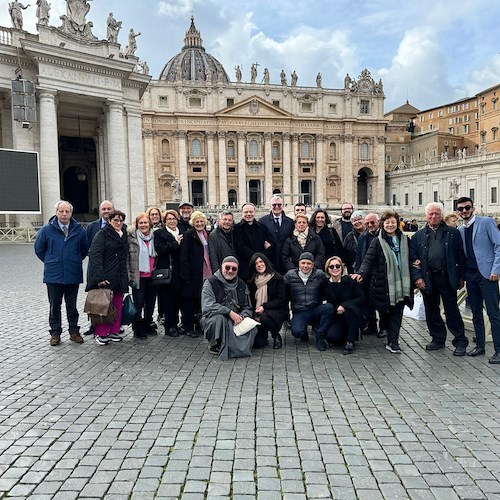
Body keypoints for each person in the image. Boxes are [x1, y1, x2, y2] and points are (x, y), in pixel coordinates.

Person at [409, 202, 468, 355]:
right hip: (428, 278)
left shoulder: (453, 233)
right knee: (431, 309)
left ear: (441, 215)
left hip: (446, 277)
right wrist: (417, 278)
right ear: (426, 216)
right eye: (431, 214)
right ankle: (437, 338)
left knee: (452, 309)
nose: (434, 216)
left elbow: (460, 256)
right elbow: (412, 258)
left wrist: (461, 277)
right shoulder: (417, 236)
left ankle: (460, 341)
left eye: (436, 213)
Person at [352, 210, 413, 354]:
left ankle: (393, 341)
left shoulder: (406, 240)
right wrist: (361, 273)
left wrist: (416, 263)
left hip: (402, 285)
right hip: (384, 284)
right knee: (387, 312)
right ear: (382, 224)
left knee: (397, 313)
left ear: (397, 223)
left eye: (393, 222)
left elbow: (412, 257)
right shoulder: (377, 241)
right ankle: (388, 333)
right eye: (387, 223)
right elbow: (368, 259)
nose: (390, 225)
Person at [34, 201, 89, 346]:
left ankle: (74, 331)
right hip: (53, 275)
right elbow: (39, 249)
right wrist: (51, 260)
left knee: (72, 306)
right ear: (56, 212)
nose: (64, 214)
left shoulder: (79, 230)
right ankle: (55, 333)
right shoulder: (46, 230)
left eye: (67, 212)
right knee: (54, 306)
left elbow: (84, 250)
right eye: (61, 211)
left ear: (71, 213)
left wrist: (73, 260)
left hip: (72, 273)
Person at [456, 197, 500, 363]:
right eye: (461, 209)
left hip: (488, 275)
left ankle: (498, 350)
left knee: (493, 313)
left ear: (473, 208)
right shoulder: (460, 229)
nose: (464, 211)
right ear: (458, 212)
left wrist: (496, 269)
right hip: (471, 276)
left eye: (467, 207)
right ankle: (480, 345)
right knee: (475, 313)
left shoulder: (486, 222)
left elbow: (499, 245)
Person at [201, 256, 258, 359]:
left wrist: (242, 317)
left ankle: (233, 346)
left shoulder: (242, 285)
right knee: (219, 320)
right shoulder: (210, 283)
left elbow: (248, 307)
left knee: (253, 330)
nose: (230, 271)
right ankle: (216, 344)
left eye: (234, 269)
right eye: (227, 267)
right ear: (221, 267)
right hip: (217, 318)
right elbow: (208, 306)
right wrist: (229, 313)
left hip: (237, 320)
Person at [86, 210, 129, 346]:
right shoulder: (102, 234)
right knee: (103, 306)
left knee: (117, 305)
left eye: (121, 220)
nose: (118, 223)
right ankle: (101, 333)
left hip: (120, 275)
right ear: (109, 220)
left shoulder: (124, 234)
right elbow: (95, 255)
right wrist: (100, 277)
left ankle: (114, 331)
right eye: (115, 220)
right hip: (106, 276)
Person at [283, 252, 333, 351]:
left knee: (329, 307)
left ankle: (320, 334)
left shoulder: (319, 275)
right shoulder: (290, 275)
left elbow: (326, 291)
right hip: (299, 311)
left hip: (315, 309)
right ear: (299, 263)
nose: (305, 266)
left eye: (309, 263)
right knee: (297, 332)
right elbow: (284, 293)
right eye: (303, 263)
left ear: (313, 265)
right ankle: (303, 329)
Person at [83, 200, 114, 336]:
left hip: (112, 267)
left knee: (111, 298)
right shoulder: (91, 227)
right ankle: (93, 324)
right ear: (100, 211)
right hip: (95, 267)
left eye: (109, 209)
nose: (106, 211)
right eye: (104, 209)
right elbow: (86, 246)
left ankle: (112, 323)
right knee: (95, 297)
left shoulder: (119, 225)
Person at [179, 210, 212, 337]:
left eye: (201, 221)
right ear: (193, 223)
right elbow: (184, 257)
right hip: (193, 273)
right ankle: (188, 327)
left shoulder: (206, 234)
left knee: (200, 300)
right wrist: (186, 275)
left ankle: (199, 324)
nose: (199, 223)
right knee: (189, 301)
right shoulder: (188, 235)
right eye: (197, 221)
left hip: (205, 271)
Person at [324, 256, 365, 355]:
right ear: (328, 270)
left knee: (350, 311)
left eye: (338, 266)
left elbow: (361, 298)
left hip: (350, 314)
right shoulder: (325, 284)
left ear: (342, 268)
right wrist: (336, 309)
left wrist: (344, 306)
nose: (335, 269)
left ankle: (350, 341)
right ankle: (342, 336)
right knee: (332, 337)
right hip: (335, 316)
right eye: (332, 267)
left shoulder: (351, 281)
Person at [247, 253, 287, 349]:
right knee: (258, 344)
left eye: (261, 261)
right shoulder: (252, 281)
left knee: (264, 317)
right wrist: (253, 314)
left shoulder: (278, 278)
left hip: (275, 310)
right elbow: (251, 300)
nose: (259, 265)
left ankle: (275, 335)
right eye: (256, 263)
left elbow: (281, 300)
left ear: (266, 262)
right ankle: (263, 331)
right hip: (257, 312)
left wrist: (264, 307)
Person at [127, 213, 158, 339]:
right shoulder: (131, 238)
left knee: (150, 303)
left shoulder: (155, 236)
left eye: (146, 223)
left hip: (153, 274)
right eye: (141, 223)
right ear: (137, 224)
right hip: (138, 275)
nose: (144, 225)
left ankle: (147, 323)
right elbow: (127, 259)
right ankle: (137, 327)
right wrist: (129, 276)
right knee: (139, 303)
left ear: (150, 223)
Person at [155, 210, 183, 337]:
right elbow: (160, 250)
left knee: (178, 299)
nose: (171, 221)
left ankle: (176, 324)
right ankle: (169, 326)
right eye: (169, 219)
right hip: (167, 270)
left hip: (180, 270)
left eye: (173, 218)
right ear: (164, 221)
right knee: (167, 300)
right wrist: (175, 243)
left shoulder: (181, 231)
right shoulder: (159, 233)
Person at [355, 212, 384, 337]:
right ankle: (371, 324)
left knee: (382, 300)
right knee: (367, 301)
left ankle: (384, 327)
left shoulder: (384, 235)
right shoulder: (363, 236)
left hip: (380, 272)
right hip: (366, 273)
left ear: (378, 222)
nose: (370, 225)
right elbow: (359, 256)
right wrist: (358, 272)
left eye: (372, 222)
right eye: (367, 223)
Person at [233, 203, 273, 281]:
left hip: (262, 266)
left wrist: (261, 258)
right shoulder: (236, 228)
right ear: (241, 213)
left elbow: (271, 244)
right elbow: (240, 247)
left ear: (255, 212)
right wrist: (257, 258)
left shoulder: (262, 227)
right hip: (245, 267)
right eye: (246, 212)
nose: (248, 214)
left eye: (251, 212)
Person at [259, 195, 294, 273]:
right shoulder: (262, 221)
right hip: (269, 258)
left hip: (285, 258)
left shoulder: (290, 222)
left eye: (279, 205)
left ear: (283, 206)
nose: (277, 207)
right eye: (274, 205)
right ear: (270, 206)